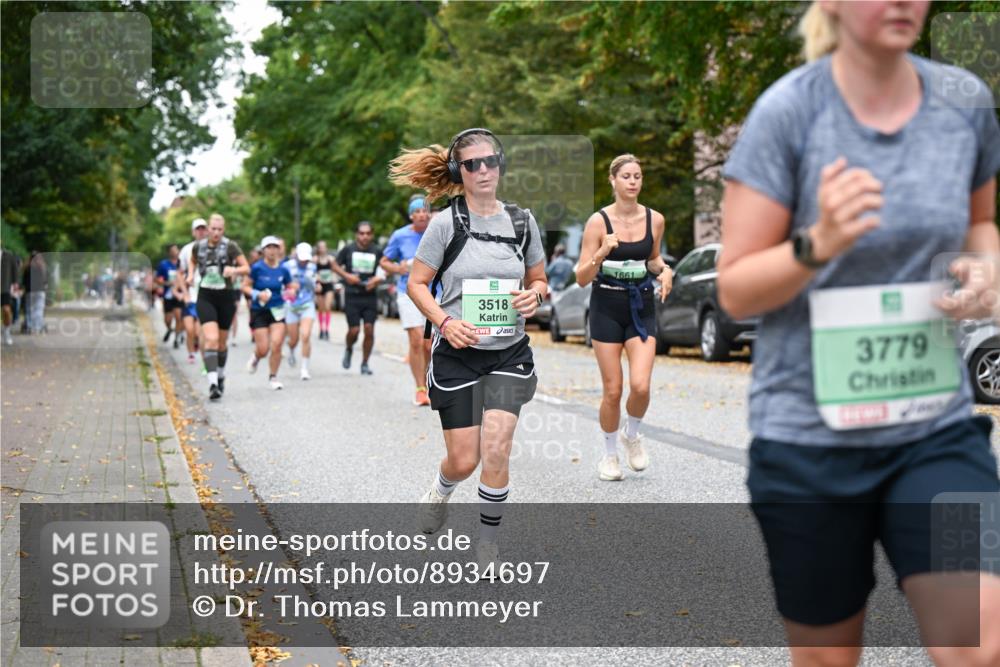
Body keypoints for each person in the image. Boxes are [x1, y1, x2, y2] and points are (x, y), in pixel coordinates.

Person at [717, 2, 1000, 665]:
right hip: (809, 443)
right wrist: (817, 244)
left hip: (934, 430)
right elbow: (734, 289)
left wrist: (985, 267)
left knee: (980, 640)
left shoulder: (963, 101)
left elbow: (981, 223)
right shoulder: (788, 112)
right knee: (827, 658)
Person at [389, 128, 547, 572]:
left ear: (501, 164)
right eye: (472, 164)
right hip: (457, 355)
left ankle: (487, 546)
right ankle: (441, 490)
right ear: (459, 171)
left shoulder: (522, 222)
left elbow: (539, 278)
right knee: (464, 460)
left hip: (508, 352)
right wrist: (445, 322)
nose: (483, 170)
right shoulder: (445, 223)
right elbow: (416, 284)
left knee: (496, 448)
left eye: (490, 161)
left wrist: (535, 295)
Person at [575, 155, 673, 481]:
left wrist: (666, 270)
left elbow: (653, 259)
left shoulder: (655, 219)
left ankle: (631, 435)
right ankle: (609, 456)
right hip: (606, 305)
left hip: (641, 305)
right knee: (613, 390)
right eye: (626, 176)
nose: (633, 182)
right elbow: (581, 277)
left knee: (641, 386)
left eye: (637, 176)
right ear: (613, 180)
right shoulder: (598, 222)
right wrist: (601, 252)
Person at [186, 213, 249, 400]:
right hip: (206, 296)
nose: (216, 233)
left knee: (221, 343)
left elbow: (246, 267)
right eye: (213, 229)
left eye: (219, 229)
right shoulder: (199, 246)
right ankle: (213, 383)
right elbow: (192, 260)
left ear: (223, 230)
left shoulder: (230, 246)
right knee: (211, 339)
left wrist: (234, 269)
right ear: (208, 229)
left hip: (225, 296)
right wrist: (190, 274)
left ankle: (220, 375)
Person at [380, 194, 435, 405]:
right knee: (416, 340)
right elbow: (384, 261)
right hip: (408, 292)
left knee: (429, 344)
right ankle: (420, 389)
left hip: (434, 293)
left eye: (425, 211)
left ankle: (429, 382)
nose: (422, 215)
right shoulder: (400, 235)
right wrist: (398, 268)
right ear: (411, 215)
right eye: (417, 211)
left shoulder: (437, 231)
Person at [244, 236, 297, 390]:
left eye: (275, 247)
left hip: (277, 310)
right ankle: (256, 356)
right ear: (263, 250)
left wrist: (292, 291)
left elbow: (290, 285)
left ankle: (273, 377)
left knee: (277, 344)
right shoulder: (257, 268)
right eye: (269, 247)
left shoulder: (283, 269)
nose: (272, 250)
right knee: (263, 348)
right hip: (259, 311)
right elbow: (245, 286)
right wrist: (257, 294)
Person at [333, 221, 383, 375]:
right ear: (357, 234)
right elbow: (334, 265)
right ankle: (349, 348)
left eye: (368, 233)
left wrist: (378, 279)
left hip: (369, 295)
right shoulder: (348, 249)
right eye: (362, 233)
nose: (365, 236)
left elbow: (386, 267)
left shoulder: (377, 250)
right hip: (352, 295)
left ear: (372, 235)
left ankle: (365, 363)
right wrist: (347, 276)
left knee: (369, 329)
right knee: (354, 330)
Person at [283, 242, 318, 380]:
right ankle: (291, 349)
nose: (304, 261)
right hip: (291, 305)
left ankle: (304, 368)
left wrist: (316, 285)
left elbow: (313, 285)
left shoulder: (312, 267)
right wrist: (289, 289)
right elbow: (281, 285)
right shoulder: (287, 266)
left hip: (307, 303)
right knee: (293, 339)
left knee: (306, 335)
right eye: (301, 258)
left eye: (306, 259)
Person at [177, 218, 209, 364]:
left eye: (203, 229)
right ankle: (191, 353)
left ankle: (204, 360)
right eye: (198, 229)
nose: (201, 232)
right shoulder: (186, 250)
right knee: (189, 330)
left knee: (199, 331)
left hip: (205, 296)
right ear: (193, 232)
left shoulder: (212, 249)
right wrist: (185, 293)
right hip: (191, 296)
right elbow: (179, 273)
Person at [155, 244, 183, 348]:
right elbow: (157, 279)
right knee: (168, 319)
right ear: (169, 252)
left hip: (179, 294)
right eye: (173, 250)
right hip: (168, 294)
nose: (175, 252)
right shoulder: (164, 264)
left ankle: (176, 338)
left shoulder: (182, 263)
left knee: (179, 317)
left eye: (176, 249)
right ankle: (169, 329)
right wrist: (166, 283)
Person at [314, 241, 336, 340]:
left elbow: (335, 270)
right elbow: (312, 272)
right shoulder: (315, 260)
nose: (322, 249)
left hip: (328, 285)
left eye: (324, 247)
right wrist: (317, 280)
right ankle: (321, 329)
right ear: (318, 249)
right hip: (319, 285)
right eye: (321, 247)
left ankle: (327, 329)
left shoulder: (331, 259)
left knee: (327, 307)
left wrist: (334, 279)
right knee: (321, 308)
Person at [22, 251, 47, 334]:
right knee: (39, 309)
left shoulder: (27, 268)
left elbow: (24, 281)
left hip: (30, 291)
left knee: (29, 310)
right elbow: (45, 280)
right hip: (40, 291)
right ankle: (37, 327)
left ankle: (29, 327)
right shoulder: (42, 267)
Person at [1, 245, 20, 345]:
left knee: (6, 310)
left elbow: (15, 268)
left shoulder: (8, 255)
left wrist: (16, 282)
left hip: (5, 287)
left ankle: (7, 332)